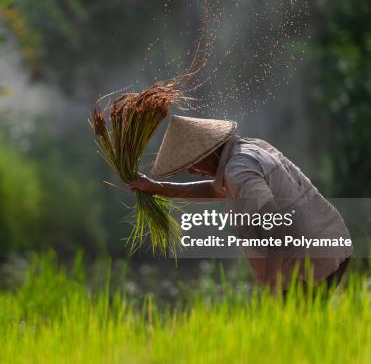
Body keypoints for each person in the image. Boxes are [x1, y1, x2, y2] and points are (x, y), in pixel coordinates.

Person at [128, 115, 352, 293]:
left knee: (294, 337)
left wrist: (272, 285)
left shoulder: (237, 170)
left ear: (210, 150)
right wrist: (158, 188)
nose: (191, 170)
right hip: (332, 241)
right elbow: (220, 190)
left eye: (192, 161)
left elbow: (276, 225)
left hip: (308, 260)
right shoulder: (249, 148)